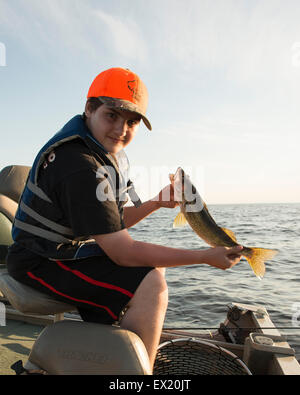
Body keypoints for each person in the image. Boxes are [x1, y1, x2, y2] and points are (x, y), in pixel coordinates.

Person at [6, 67, 243, 371]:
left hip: (57, 254)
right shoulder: (80, 166)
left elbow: (112, 224)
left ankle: (120, 357)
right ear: (90, 108)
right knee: (152, 283)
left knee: (150, 268)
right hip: (37, 263)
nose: (121, 129)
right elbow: (123, 252)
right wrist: (204, 257)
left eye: (132, 121)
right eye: (112, 115)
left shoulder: (94, 153)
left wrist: (156, 202)